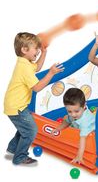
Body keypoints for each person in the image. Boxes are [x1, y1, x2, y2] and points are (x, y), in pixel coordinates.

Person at [4, 32, 64, 165]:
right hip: (16, 107)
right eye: (35, 49)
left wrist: (43, 53)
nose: (37, 50)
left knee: (25, 128)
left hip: (17, 105)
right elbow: (36, 87)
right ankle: (19, 157)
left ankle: (13, 148)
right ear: (24, 50)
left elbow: (37, 67)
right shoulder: (23, 67)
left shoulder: (25, 62)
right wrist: (51, 73)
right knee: (31, 130)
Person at [51, 88, 95, 164]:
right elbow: (67, 121)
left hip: (92, 135)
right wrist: (58, 129)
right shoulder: (74, 114)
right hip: (80, 130)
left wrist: (79, 156)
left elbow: (83, 139)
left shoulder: (84, 122)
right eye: (69, 111)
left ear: (84, 106)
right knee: (65, 118)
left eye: (76, 111)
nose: (73, 114)